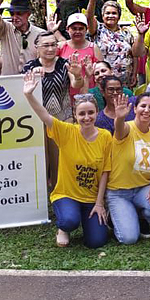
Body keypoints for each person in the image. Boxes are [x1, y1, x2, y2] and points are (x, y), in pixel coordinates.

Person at [22, 72, 111, 248]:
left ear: (97, 113)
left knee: (96, 242)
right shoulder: (66, 132)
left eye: (91, 113)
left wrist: (100, 203)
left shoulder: (105, 136)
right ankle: (64, 228)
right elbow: (44, 116)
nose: (87, 117)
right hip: (66, 194)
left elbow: (105, 172)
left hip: (90, 198)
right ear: (75, 115)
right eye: (82, 113)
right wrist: (29, 95)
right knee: (69, 221)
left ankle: (87, 220)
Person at [104, 92, 150, 243]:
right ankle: (114, 216)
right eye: (143, 106)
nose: (147, 110)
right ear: (135, 109)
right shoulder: (127, 128)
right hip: (119, 193)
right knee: (129, 238)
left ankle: (139, 216)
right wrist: (120, 117)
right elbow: (119, 129)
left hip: (142, 189)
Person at [22, 32, 80, 189]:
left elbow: (76, 84)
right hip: (38, 120)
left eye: (53, 44)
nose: (50, 48)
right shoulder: (30, 67)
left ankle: (59, 191)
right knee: (42, 158)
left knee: (60, 159)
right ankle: (40, 193)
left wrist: (78, 75)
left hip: (63, 117)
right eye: (46, 45)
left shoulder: (64, 63)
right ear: (37, 48)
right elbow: (23, 91)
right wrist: (33, 76)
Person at [86, 0, 135, 90]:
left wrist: (134, 74)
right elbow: (89, 17)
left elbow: (133, 55)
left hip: (124, 80)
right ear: (102, 15)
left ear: (119, 16)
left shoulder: (126, 32)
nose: (111, 16)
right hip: (103, 80)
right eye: (107, 13)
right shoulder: (98, 29)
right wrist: (92, 0)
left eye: (114, 13)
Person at [51, 12, 100, 95]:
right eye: (74, 28)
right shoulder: (61, 46)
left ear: (86, 29)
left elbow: (101, 71)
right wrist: (52, 31)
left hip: (89, 92)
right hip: (64, 93)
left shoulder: (93, 48)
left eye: (81, 28)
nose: (77, 31)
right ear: (67, 29)